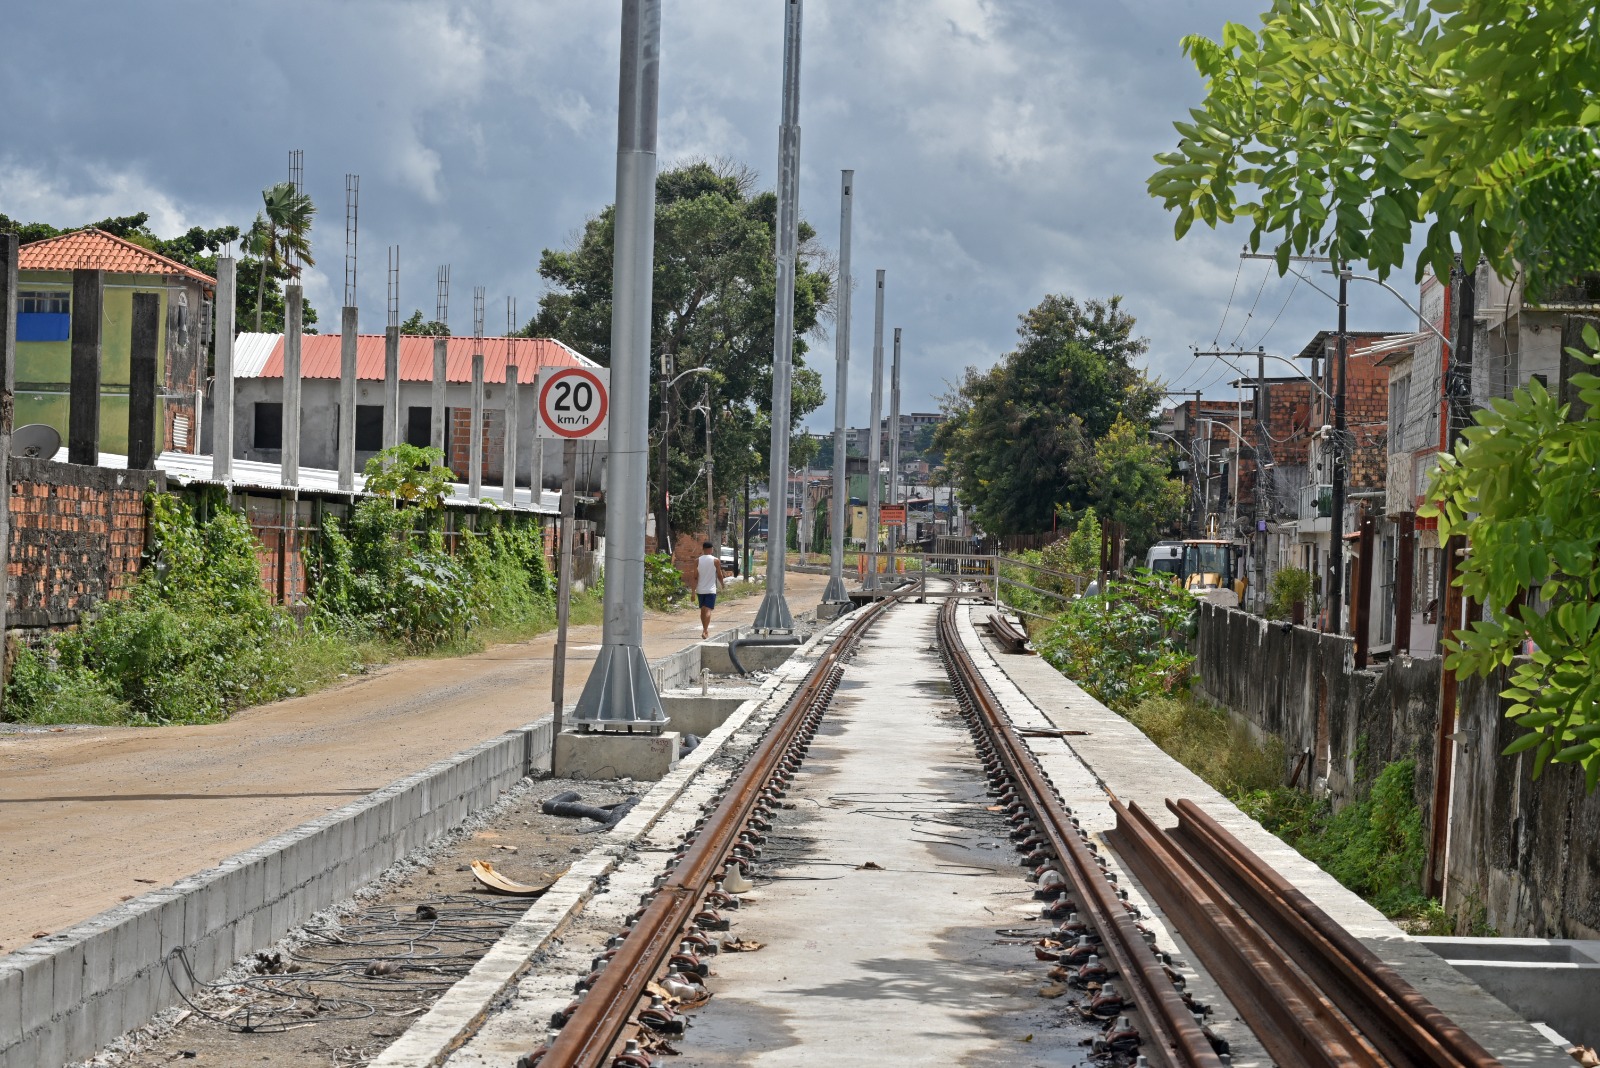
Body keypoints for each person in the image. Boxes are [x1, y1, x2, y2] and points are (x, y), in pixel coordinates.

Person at [696, 540, 725, 639]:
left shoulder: (697, 560)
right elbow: (719, 575)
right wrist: (722, 585)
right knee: (708, 610)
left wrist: (692, 591)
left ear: (703, 549)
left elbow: (694, 576)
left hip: (700, 589)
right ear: (711, 549)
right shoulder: (715, 560)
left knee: (703, 610)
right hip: (711, 589)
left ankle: (704, 629)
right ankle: (705, 630)